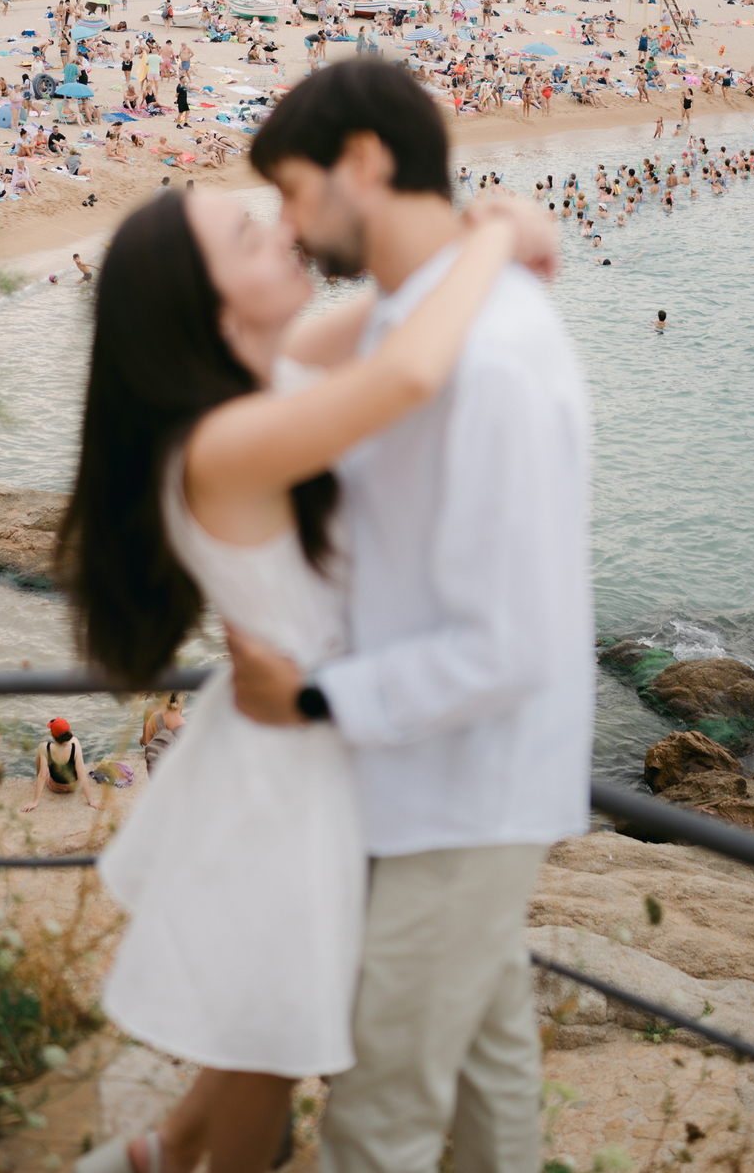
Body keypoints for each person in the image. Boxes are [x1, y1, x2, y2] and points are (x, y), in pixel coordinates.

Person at [66, 173, 557, 1173]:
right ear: (212, 311)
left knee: (270, 1033)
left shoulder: (259, 384)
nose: (281, 233)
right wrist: (493, 243)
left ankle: (165, 1151)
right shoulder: (225, 441)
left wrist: (479, 226)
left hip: (304, 741)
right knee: (271, 1049)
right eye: (248, 238)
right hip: (295, 775)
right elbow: (407, 373)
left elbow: (393, 313)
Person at [228, 61, 592, 1173]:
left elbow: (509, 644)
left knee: (376, 1115)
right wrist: (494, 234)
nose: (290, 227)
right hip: (422, 775)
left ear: (365, 161)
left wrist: (316, 697)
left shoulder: (490, 357)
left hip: (464, 790)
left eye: (294, 191)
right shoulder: (414, 323)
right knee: (489, 1084)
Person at [21, 718, 100, 813]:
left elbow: (42, 776)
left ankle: (36, 775)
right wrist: (91, 801)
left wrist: (35, 802)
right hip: (74, 786)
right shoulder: (75, 747)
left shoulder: (45, 747)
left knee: (41, 751)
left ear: (52, 734)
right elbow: (82, 776)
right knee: (77, 753)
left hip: (56, 787)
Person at [141, 691, 186, 778]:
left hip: (155, 774)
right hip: (175, 778)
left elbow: (148, 743)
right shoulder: (186, 730)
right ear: (182, 699)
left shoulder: (153, 718)